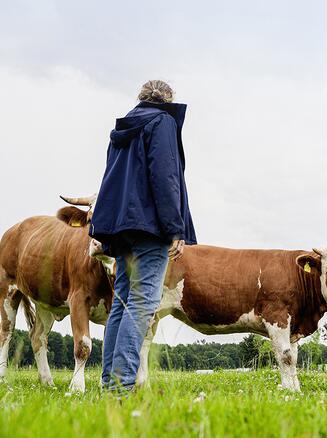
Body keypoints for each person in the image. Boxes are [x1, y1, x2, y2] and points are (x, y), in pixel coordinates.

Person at [90, 79, 197, 391]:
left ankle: (109, 383)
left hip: (123, 228)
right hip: (150, 227)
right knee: (142, 303)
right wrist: (174, 226)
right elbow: (165, 176)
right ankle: (120, 387)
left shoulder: (124, 129)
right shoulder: (162, 121)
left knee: (122, 302)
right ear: (167, 100)